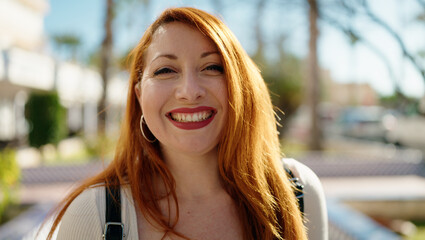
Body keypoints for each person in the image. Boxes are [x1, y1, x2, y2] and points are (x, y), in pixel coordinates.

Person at [46, 7, 327, 240]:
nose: (189, 91)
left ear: (239, 86)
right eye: (165, 70)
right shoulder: (93, 215)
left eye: (212, 67)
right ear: (140, 96)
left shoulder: (297, 193)